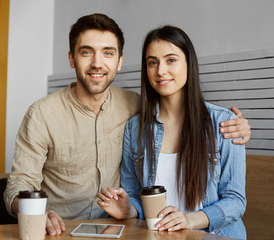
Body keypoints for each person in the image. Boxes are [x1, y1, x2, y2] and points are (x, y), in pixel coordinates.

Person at [4, 14, 250, 237]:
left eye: (108, 53)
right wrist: (35, 213)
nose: (97, 64)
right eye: (86, 52)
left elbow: (235, 199)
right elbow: (19, 185)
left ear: (119, 61)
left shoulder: (217, 123)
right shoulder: (45, 114)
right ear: (72, 58)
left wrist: (240, 126)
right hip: (68, 231)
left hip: (173, 232)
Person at [96, 25, 246, 239]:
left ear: (188, 63)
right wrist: (127, 210)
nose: (160, 71)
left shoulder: (224, 123)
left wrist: (189, 219)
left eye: (171, 60)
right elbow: (134, 196)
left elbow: (235, 201)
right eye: (152, 62)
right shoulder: (135, 128)